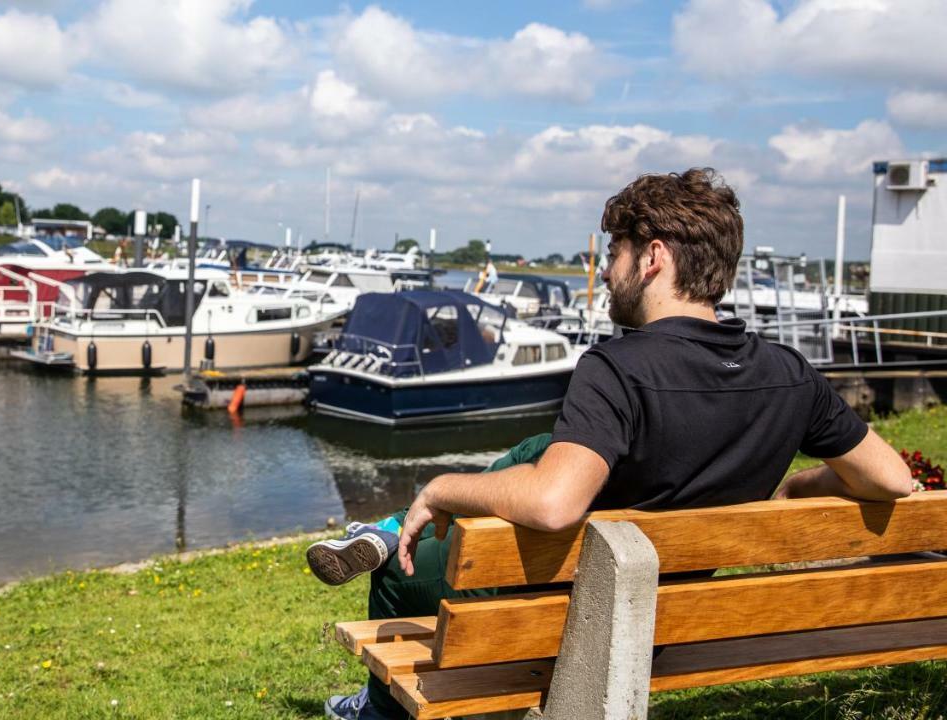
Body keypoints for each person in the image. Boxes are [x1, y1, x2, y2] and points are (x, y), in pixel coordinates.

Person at [312, 168, 913, 720]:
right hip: (677, 616)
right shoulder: (790, 374)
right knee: (542, 447)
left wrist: (441, 486)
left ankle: (375, 703)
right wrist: (806, 483)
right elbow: (891, 479)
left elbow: (553, 504)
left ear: (652, 258)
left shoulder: (618, 367)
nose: (604, 270)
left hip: (571, 609)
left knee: (400, 568)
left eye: (616, 253)